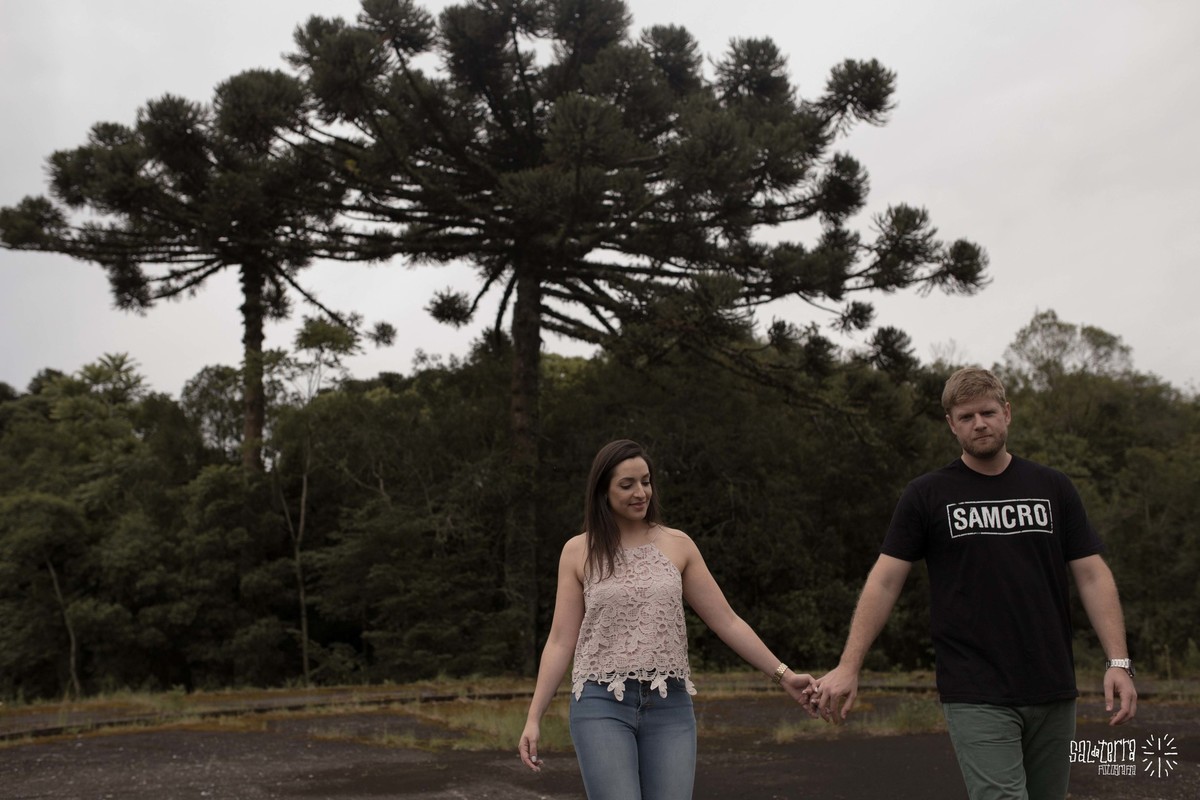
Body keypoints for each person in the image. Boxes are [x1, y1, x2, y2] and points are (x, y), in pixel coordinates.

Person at [812, 366, 1137, 800]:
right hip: (975, 690)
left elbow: (1092, 575)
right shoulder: (927, 494)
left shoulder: (1052, 487)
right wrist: (850, 664)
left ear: (1007, 413)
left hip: (1054, 686)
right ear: (951, 424)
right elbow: (885, 581)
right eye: (966, 417)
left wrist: (1118, 662)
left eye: (987, 412)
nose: (978, 423)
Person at [518, 439, 816, 799]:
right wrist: (534, 717)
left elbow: (727, 621)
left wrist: (782, 674)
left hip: (670, 704)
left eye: (645, 481)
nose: (640, 492)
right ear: (602, 491)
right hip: (599, 704)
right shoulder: (578, 551)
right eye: (626, 485)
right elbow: (561, 640)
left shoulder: (678, 544)